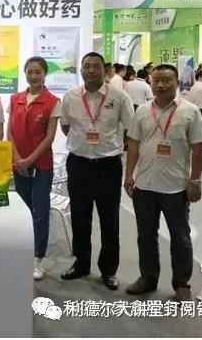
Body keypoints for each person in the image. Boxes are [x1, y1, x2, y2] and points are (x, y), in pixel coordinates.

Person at [124, 64, 202, 302]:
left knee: (180, 237)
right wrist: (129, 175)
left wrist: (195, 180)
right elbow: (134, 144)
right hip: (145, 186)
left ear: (177, 82)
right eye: (156, 80)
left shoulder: (190, 111)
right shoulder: (142, 111)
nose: (161, 85)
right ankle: (148, 277)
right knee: (145, 235)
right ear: (150, 82)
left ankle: (181, 283)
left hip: (176, 187)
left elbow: (198, 148)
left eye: (167, 80)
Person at [60, 52, 134, 290]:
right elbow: (65, 126)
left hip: (108, 166)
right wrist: (83, 143)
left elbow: (129, 129)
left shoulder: (119, 96)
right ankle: (81, 264)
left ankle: (109, 270)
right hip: (79, 164)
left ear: (105, 70)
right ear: (81, 70)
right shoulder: (70, 96)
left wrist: (109, 145)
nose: (91, 70)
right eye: (87, 66)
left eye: (96, 66)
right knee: (80, 217)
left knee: (109, 220)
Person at [8, 57, 61, 281]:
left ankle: (37, 258)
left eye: (37, 72)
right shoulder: (16, 99)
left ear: (44, 73)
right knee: (22, 211)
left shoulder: (53, 102)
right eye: (29, 72)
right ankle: (21, 253)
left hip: (41, 166)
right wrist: (18, 159)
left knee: (39, 212)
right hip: (19, 165)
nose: (33, 76)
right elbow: (9, 132)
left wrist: (29, 160)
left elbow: (49, 138)